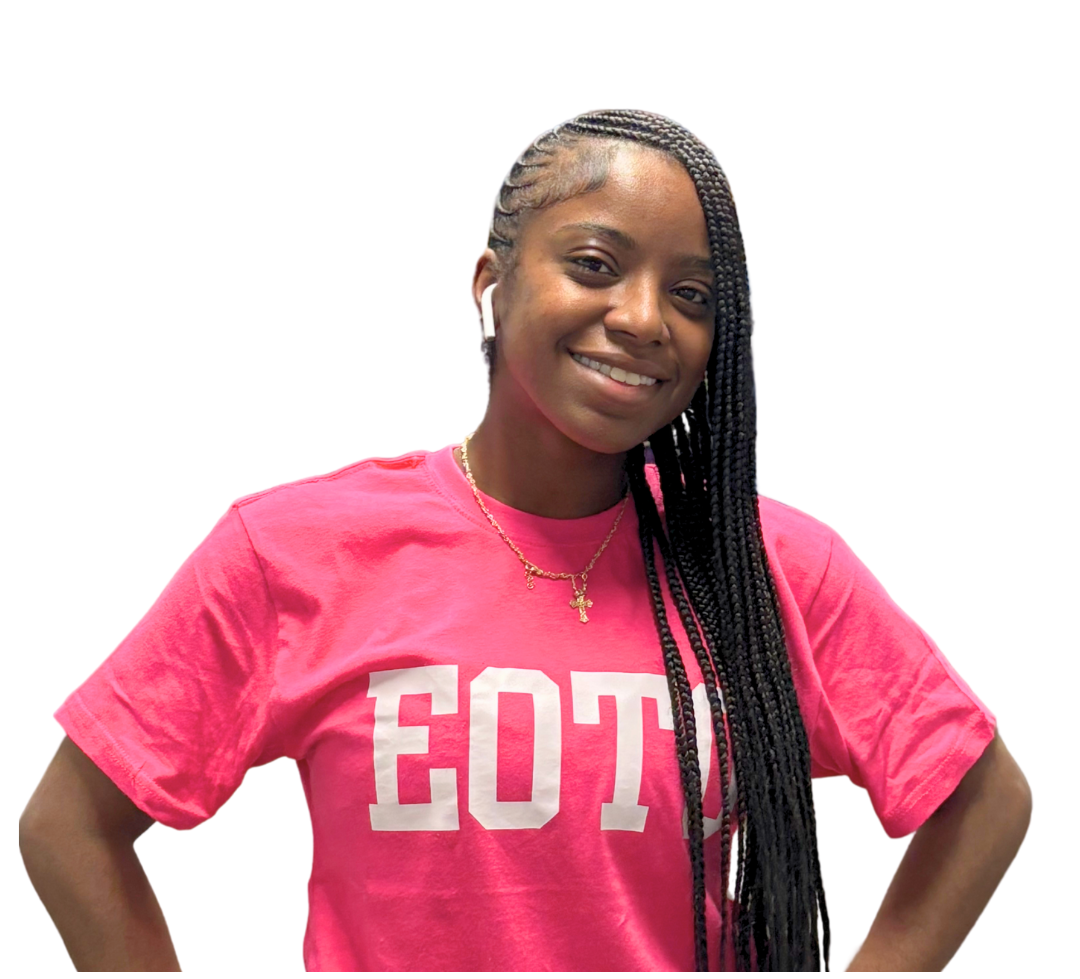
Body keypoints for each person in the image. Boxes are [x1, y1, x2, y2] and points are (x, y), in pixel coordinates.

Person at [20, 109, 1031, 972]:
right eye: (595, 264)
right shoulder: (296, 551)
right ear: (491, 282)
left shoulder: (767, 565)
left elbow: (983, 799)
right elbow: (71, 828)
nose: (643, 319)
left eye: (692, 296)